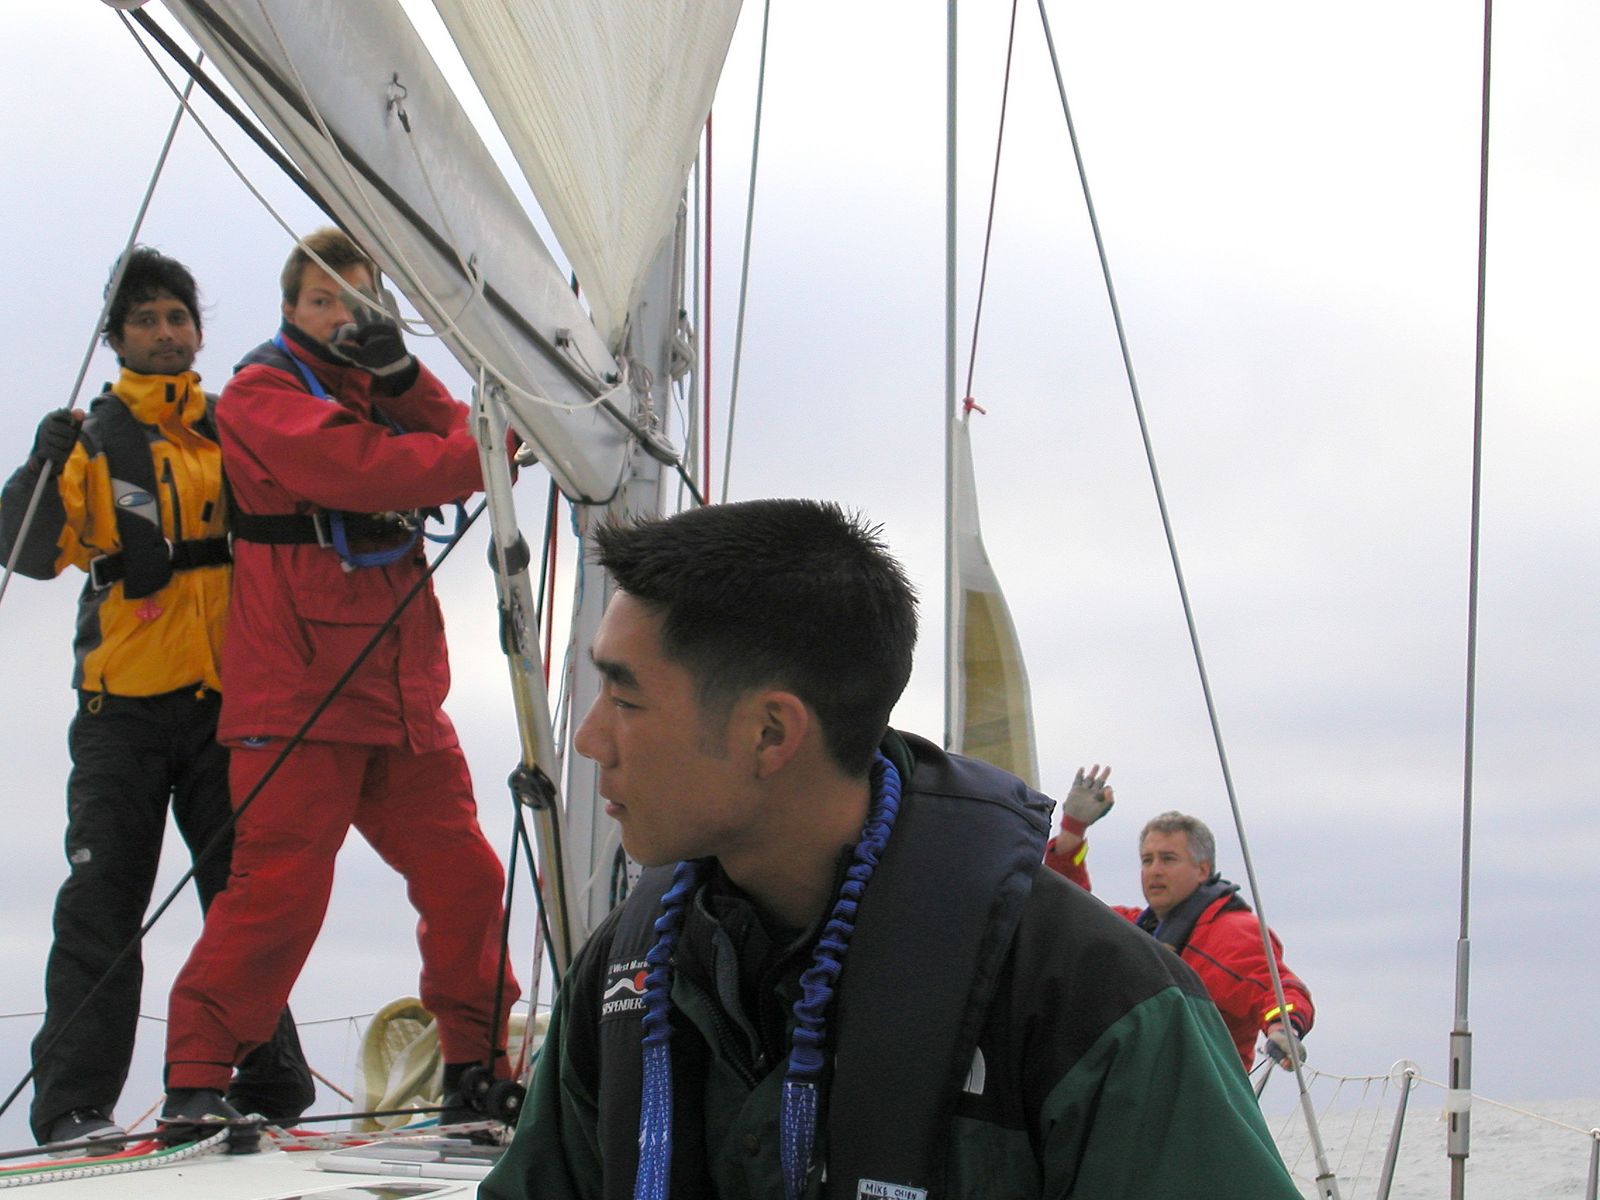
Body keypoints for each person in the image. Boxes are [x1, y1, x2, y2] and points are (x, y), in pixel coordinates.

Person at [482, 499, 1300, 1200]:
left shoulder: (1095, 1005)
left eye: (624, 698)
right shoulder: (626, 971)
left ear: (770, 733)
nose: (588, 740)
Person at [158, 228, 520, 1139]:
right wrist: (486, 447)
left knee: (467, 878)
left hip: (400, 696)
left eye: (358, 302)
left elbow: (456, 431)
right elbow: (365, 468)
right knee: (278, 894)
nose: (341, 318)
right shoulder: (259, 392)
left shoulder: (382, 390)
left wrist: (404, 376)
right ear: (290, 310)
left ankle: (477, 1069)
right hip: (298, 697)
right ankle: (195, 1081)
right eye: (323, 301)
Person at [0, 247, 312, 1151]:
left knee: (244, 896)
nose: (165, 332)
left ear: (198, 332)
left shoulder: (233, 429)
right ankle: (71, 1107)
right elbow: (24, 552)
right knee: (102, 901)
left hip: (228, 704)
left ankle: (267, 1083)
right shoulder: (93, 441)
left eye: (178, 317)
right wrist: (37, 464)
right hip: (122, 708)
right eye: (146, 320)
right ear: (118, 338)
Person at [1044, 769, 1314, 1073]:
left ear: (1203, 870)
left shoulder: (1232, 933)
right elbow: (1070, 913)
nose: (1155, 870)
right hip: (1136, 1089)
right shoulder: (1134, 929)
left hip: (1200, 1094)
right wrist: (1072, 830)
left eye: (1168, 859)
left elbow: (1280, 989)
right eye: (1147, 860)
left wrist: (1284, 1028)